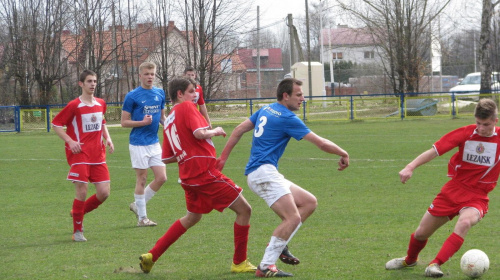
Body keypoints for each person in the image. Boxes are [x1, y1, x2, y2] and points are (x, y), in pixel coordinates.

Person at [217, 78, 350, 277]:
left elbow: (238, 130)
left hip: (261, 173)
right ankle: (266, 266)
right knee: (292, 217)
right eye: (299, 95)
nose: (303, 99)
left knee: (308, 202)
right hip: (264, 173)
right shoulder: (288, 118)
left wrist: (222, 159)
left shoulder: (266, 109)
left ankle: (281, 246)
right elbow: (321, 143)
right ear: (285, 96)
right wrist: (344, 153)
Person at [138, 77, 256, 275]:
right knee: (245, 210)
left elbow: (167, 159)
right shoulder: (186, 107)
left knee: (192, 218)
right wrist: (215, 131)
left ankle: (152, 255)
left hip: (188, 177)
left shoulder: (168, 120)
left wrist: (189, 154)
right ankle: (239, 262)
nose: (195, 95)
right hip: (204, 173)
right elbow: (199, 133)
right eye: (192, 91)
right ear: (180, 94)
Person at [385, 98, 500, 277]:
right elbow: (435, 151)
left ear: (495, 121)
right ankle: (410, 259)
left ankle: (435, 264)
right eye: (478, 123)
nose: (481, 128)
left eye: (486, 124)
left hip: (477, 197)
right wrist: (410, 166)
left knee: (464, 222)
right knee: (421, 233)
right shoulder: (466, 133)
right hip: (453, 190)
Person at [52, 69, 114, 242]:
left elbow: (102, 122)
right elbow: (56, 124)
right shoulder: (74, 105)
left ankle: (77, 212)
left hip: (98, 155)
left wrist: (108, 138)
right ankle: (77, 231)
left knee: (104, 193)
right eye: (89, 81)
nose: (93, 84)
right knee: (82, 190)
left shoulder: (101, 103)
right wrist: (70, 141)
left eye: (94, 81)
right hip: (80, 154)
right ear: (81, 84)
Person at [121, 61, 167, 227]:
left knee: (161, 177)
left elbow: (162, 117)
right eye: (147, 74)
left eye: (152, 74)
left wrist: (169, 125)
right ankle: (142, 218)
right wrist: (142, 122)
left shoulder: (160, 93)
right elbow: (124, 122)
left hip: (154, 143)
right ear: (140, 75)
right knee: (142, 179)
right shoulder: (132, 96)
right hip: (138, 143)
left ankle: (137, 205)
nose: (150, 77)